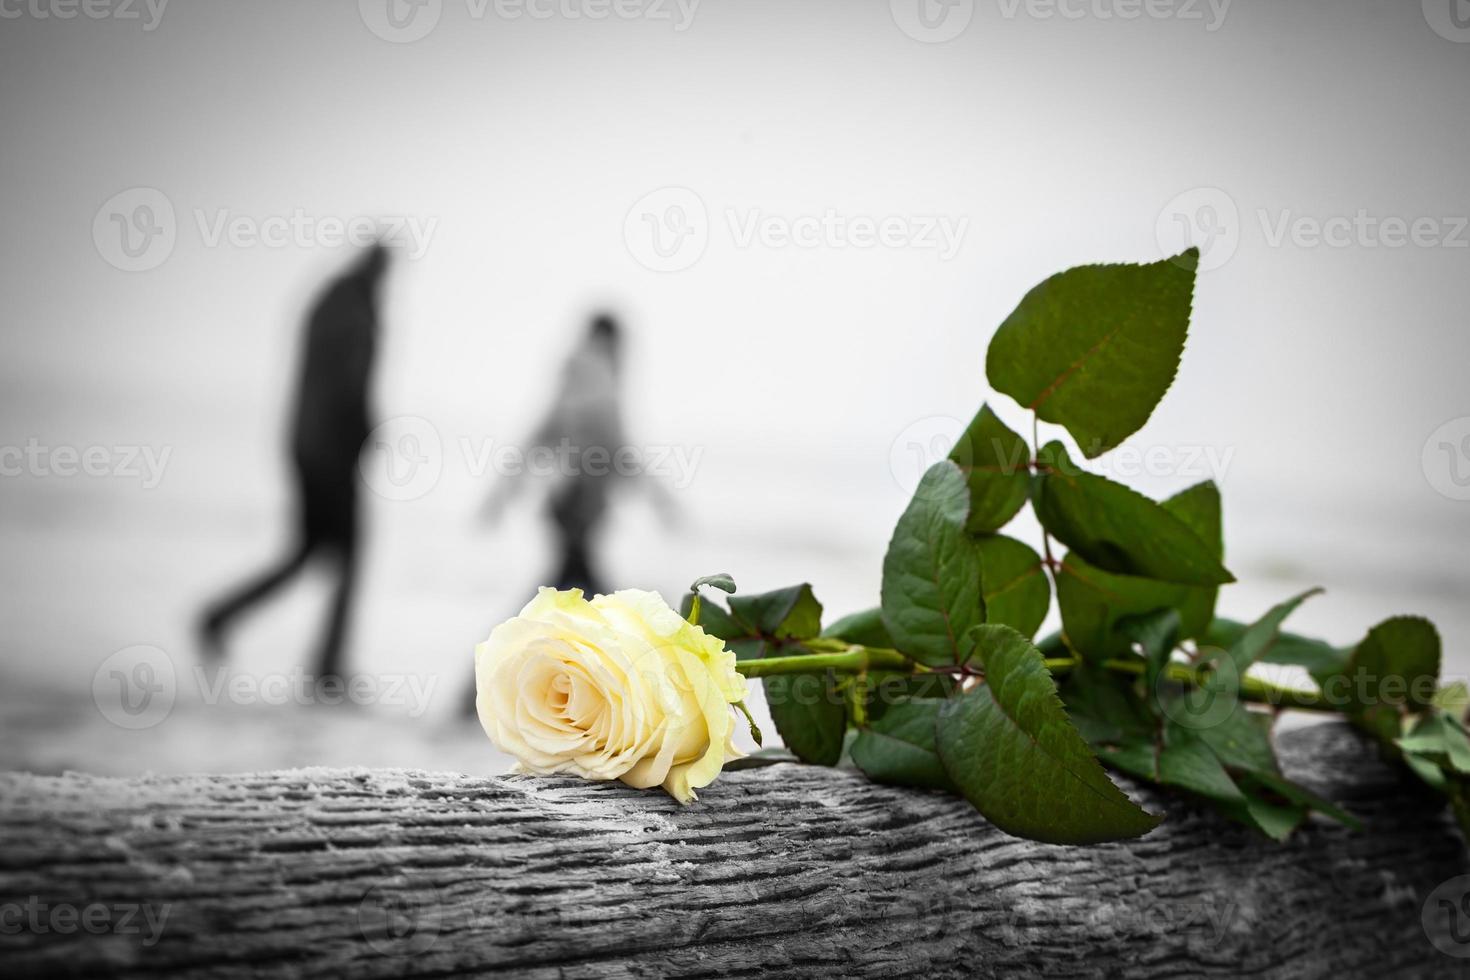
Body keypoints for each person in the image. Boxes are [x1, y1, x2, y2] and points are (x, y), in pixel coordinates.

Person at [198, 244, 388, 683]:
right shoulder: (355, 313)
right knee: (349, 556)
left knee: (306, 553)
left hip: (307, 446)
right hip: (333, 454)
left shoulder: (328, 302)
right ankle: (327, 667)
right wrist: (366, 434)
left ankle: (220, 616)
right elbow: (349, 387)